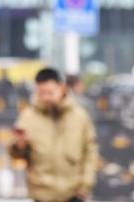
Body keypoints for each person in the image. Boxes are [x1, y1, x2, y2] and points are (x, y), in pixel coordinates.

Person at [9, 67, 98, 202]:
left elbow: (90, 151)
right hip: (41, 195)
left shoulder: (79, 116)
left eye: (50, 92)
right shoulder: (28, 117)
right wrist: (19, 145)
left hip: (74, 194)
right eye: (41, 92)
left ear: (61, 87)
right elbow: (15, 153)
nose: (46, 97)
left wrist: (85, 186)